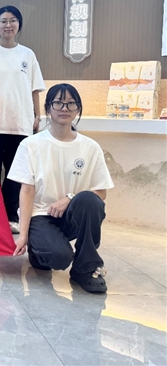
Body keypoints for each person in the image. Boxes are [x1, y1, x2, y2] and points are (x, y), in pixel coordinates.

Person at [9, 84, 113, 293]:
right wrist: (23, 235)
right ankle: (40, 251)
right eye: (58, 103)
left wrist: (69, 198)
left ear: (78, 109)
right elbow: (27, 191)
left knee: (89, 200)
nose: (64, 108)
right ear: (48, 108)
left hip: (70, 215)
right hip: (41, 215)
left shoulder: (90, 147)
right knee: (58, 257)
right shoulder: (31, 144)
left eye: (71, 103)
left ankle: (86, 268)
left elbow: (101, 192)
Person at [0, 5, 45, 234]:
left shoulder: (27, 55)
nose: (8, 25)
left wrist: (37, 115)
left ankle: (11, 216)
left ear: (19, 25)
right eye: (3, 21)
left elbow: (35, 88)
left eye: (13, 20)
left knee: (16, 175)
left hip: (20, 124)